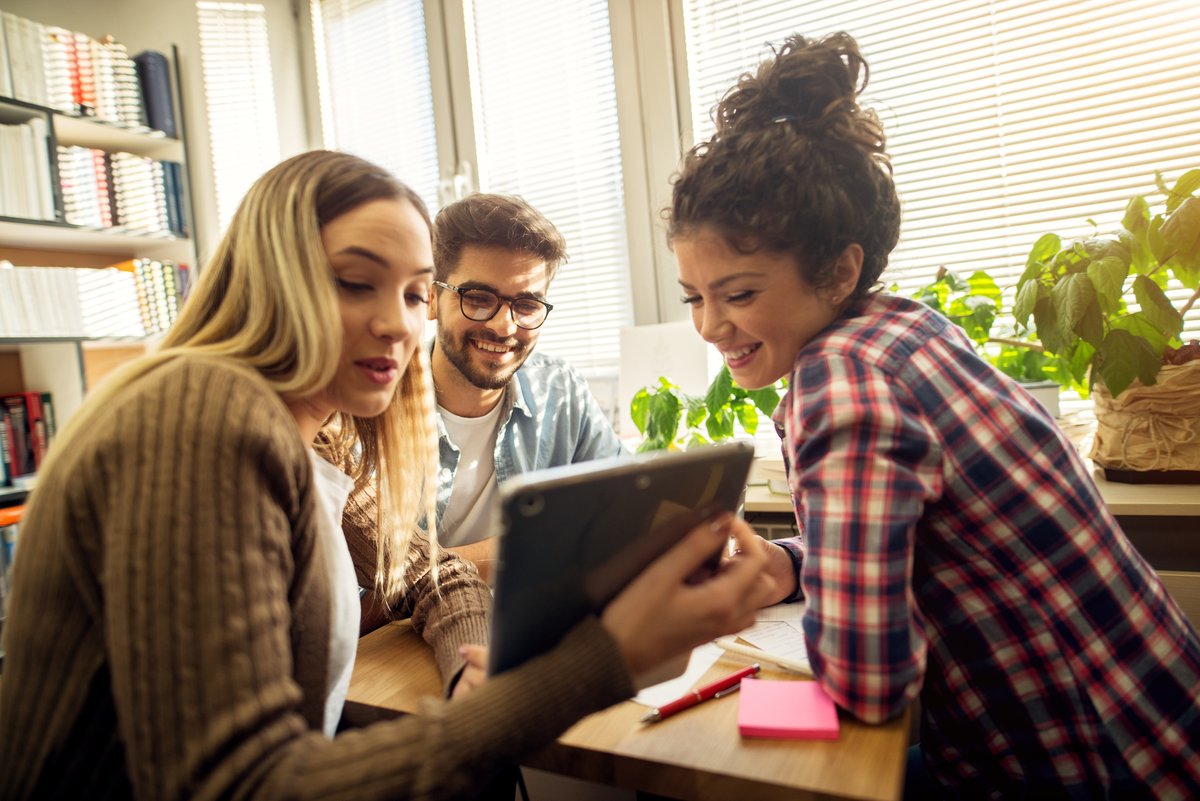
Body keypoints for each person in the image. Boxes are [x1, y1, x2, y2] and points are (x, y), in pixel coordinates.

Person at [0, 150, 775, 799]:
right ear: (274, 276)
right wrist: (594, 664)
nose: (398, 322)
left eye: (410, 292)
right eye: (354, 281)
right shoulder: (206, 417)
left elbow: (430, 574)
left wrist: (475, 681)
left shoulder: (304, 429)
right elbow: (239, 785)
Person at [666, 32, 1200, 800]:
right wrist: (788, 563)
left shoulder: (841, 380)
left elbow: (868, 681)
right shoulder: (907, 328)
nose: (710, 327)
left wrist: (738, 710)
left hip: (1095, 765)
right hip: (1158, 727)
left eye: (739, 294)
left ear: (839, 269)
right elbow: (915, 535)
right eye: (695, 296)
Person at [426, 193, 625, 577]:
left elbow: (622, 505)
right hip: (411, 633)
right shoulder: (370, 410)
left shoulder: (560, 390)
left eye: (527, 305)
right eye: (479, 298)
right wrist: (523, 549)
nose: (505, 327)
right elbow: (362, 593)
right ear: (432, 299)